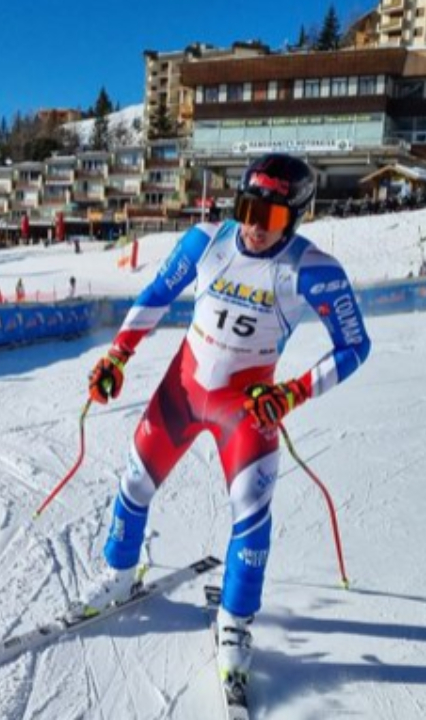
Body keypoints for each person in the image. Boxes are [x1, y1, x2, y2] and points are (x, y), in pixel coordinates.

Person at [70, 154, 372, 698]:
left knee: (252, 516)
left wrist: (294, 393)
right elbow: (154, 298)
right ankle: (119, 573)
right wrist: (117, 356)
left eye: (273, 218)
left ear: (298, 218)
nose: (255, 227)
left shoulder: (312, 269)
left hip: (246, 406)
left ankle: (235, 623)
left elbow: (356, 346)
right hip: (183, 390)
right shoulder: (205, 243)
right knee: (135, 481)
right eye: (248, 209)